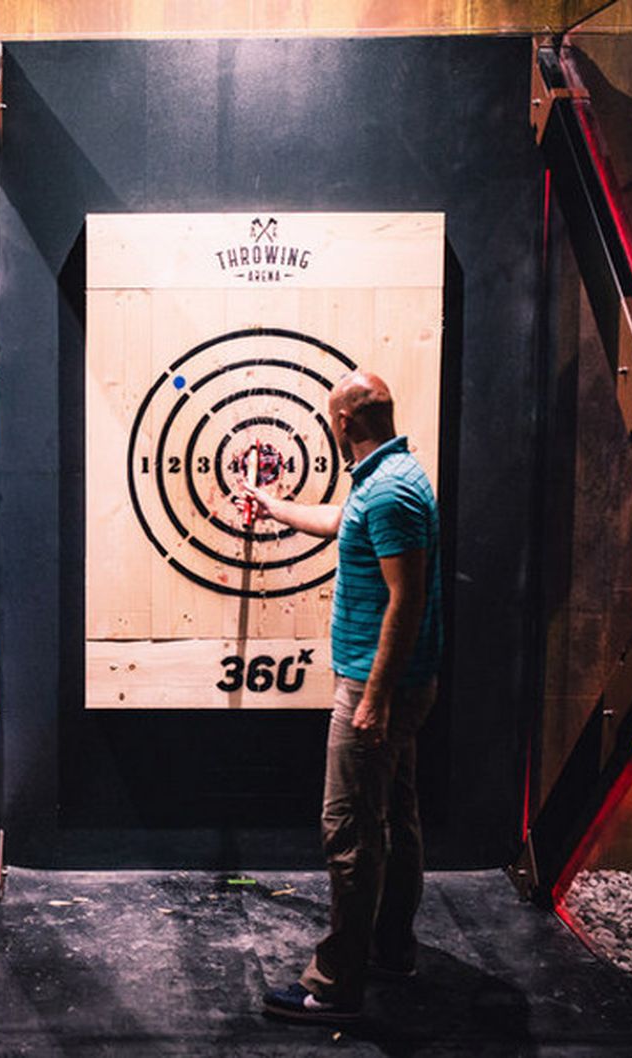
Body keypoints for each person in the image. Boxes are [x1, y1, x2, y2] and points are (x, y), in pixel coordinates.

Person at [237, 370, 442, 1024]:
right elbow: (339, 522)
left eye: (331, 417)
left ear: (344, 423)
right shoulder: (388, 479)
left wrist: (373, 698)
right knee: (395, 821)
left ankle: (334, 985)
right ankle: (391, 950)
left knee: (350, 830)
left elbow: (406, 601)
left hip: (377, 686)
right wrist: (274, 506)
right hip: (396, 683)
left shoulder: (389, 492)